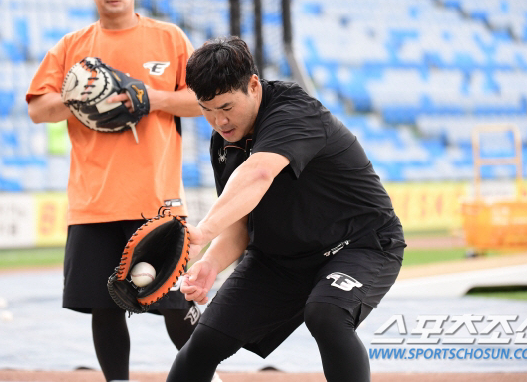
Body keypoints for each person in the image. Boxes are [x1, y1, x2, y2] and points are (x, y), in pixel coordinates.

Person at [167, 36, 406, 382]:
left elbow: (259, 172)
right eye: (207, 110)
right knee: (203, 344)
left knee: (326, 313)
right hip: (280, 261)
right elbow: (239, 223)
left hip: (361, 244)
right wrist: (210, 264)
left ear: (252, 85)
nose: (219, 121)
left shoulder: (294, 110)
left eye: (226, 107)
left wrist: (201, 233)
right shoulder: (224, 142)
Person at [26, 0, 203, 381]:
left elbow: (201, 99)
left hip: (157, 201)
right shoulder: (73, 48)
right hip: (95, 200)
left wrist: (151, 97)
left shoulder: (170, 38)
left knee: (175, 305)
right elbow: (37, 107)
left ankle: (206, 376)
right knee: (104, 307)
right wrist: (84, 99)